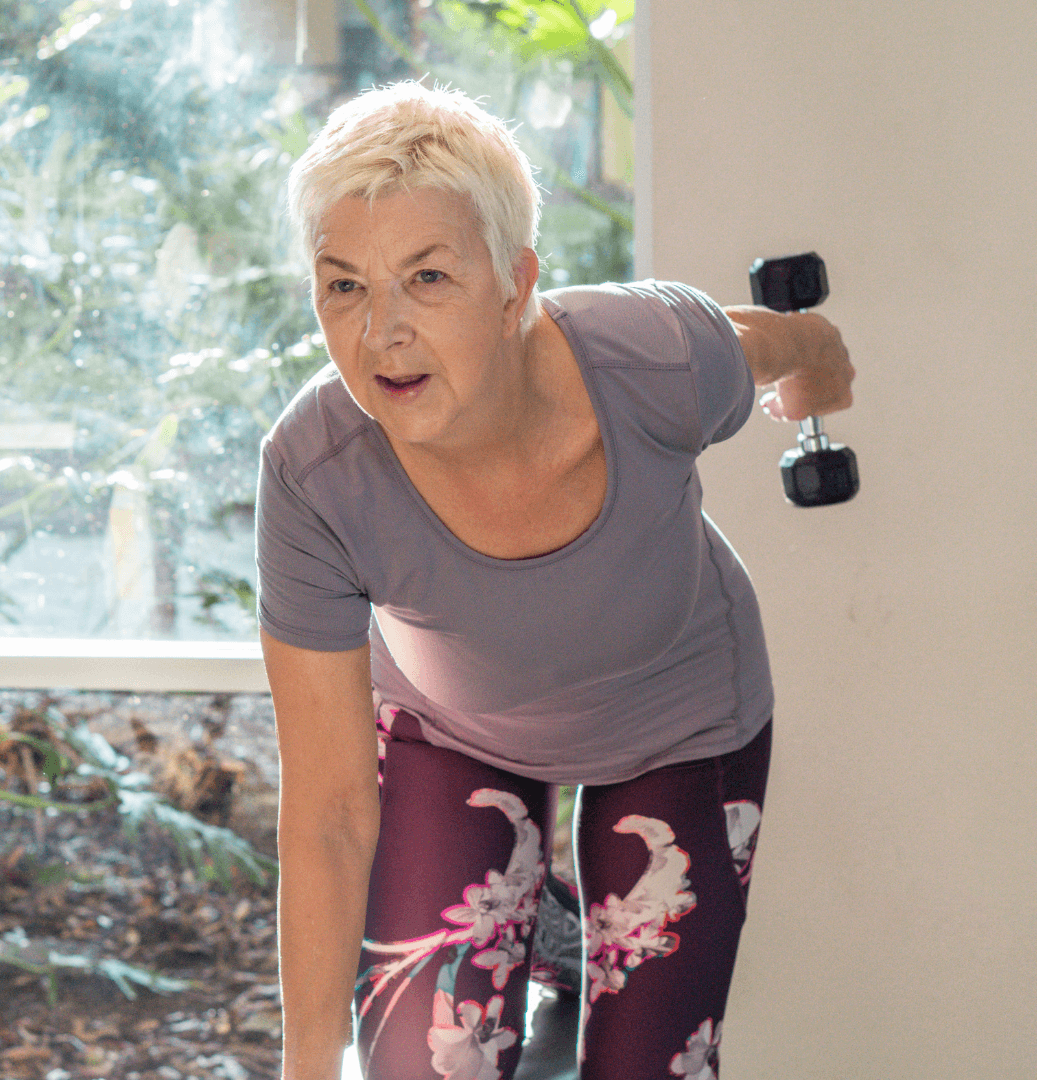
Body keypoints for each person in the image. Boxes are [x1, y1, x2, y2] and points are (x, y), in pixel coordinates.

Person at [256, 81, 854, 1080]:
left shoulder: (655, 359)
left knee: (649, 1068)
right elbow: (326, 816)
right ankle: (545, 918)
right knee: (419, 1065)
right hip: (457, 732)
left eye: (429, 278)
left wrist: (817, 374)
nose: (382, 333)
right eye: (344, 285)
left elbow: (782, 343)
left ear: (516, 283)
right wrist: (304, 1070)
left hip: (681, 717)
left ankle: (564, 928)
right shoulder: (314, 473)